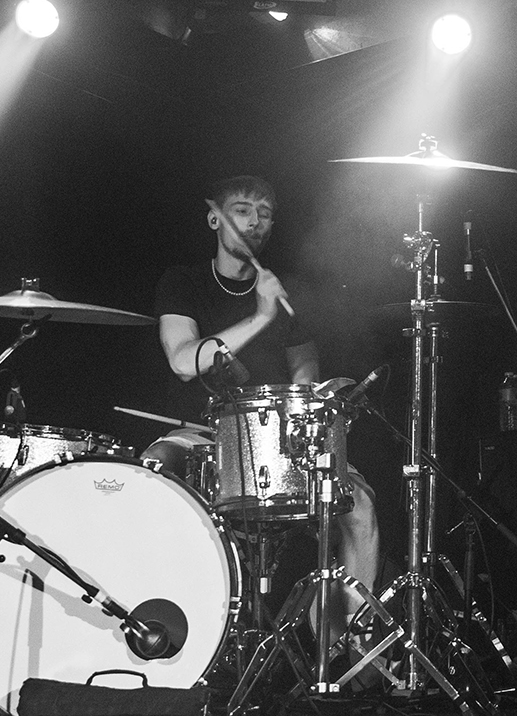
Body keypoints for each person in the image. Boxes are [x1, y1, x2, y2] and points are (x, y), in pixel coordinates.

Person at [154, 175, 381, 622]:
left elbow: (305, 376)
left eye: (265, 214)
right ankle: (168, 620)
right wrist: (261, 316)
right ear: (214, 219)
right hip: (203, 437)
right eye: (242, 210)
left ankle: (351, 644)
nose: (254, 222)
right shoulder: (183, 281)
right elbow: (183, 361)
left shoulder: (284, 293)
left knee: (359, 504)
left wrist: (310, 409)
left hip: (277, 442)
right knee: (155, 466)